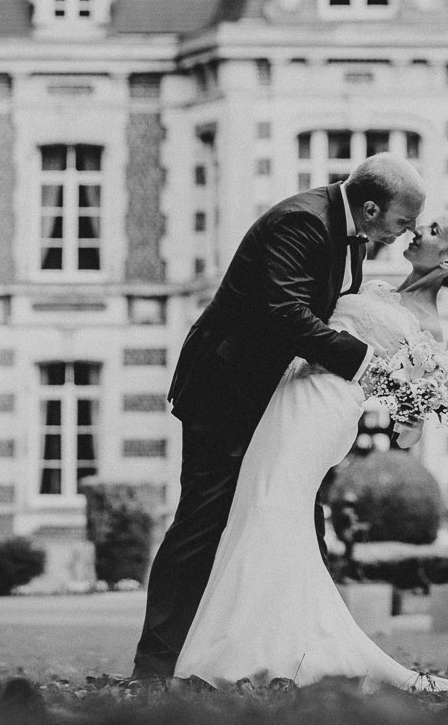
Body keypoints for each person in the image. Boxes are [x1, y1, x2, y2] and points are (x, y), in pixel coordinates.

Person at [172, 207, 448, 694]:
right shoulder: (372, 287)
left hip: (326, 412)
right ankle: (273, 645)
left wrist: (410, 407)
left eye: (433, 230)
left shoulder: (429, 329)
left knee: (271, 507)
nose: (418, 230)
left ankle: (241, 654)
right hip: (288, 395)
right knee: (259, 509)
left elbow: (410, 424)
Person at [130, 153, 424, 683]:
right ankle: (154, 665)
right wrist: (364, 364)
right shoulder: (302, 222)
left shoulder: (348, 233)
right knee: (202, 523)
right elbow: (284, 314)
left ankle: (289, 653)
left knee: (290, 520)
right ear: (373, 207)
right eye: (401, 222)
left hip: (273, 402)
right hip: (223, 395)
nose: (404, 235)